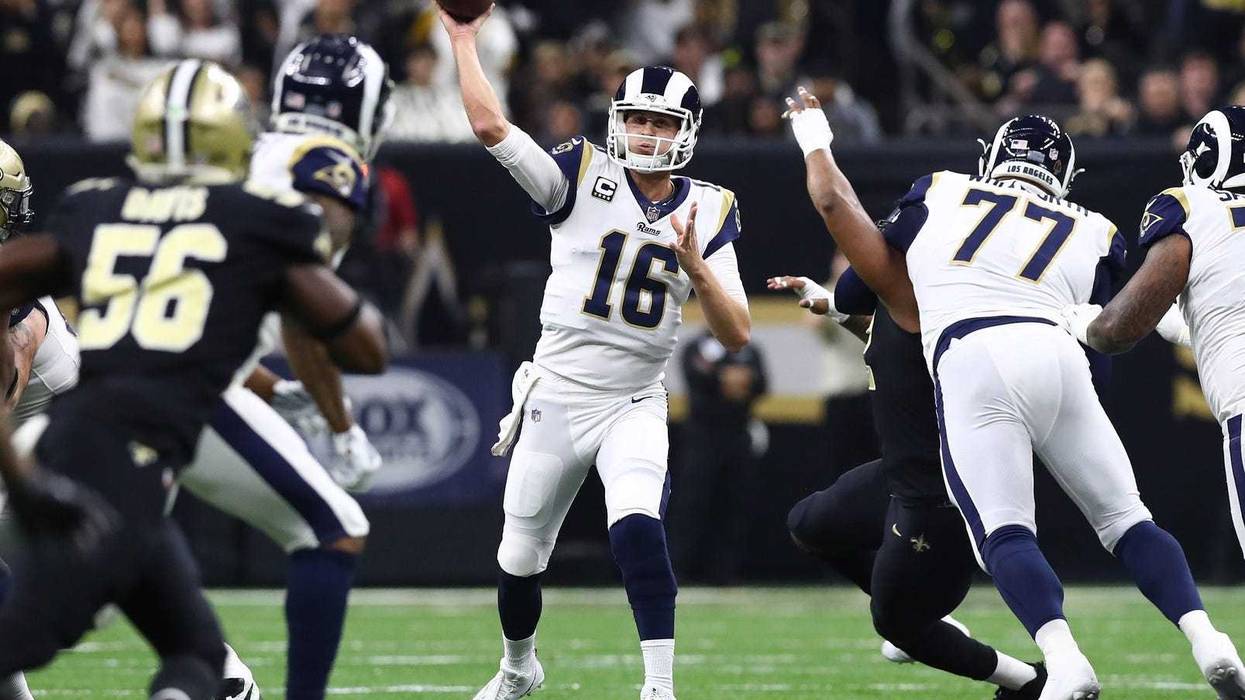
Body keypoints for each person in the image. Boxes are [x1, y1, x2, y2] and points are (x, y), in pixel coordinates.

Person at [783, 88, 1245, 699]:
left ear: (991, 158)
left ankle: (1063, 658)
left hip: (974, 353)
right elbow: (1106, 342)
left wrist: (816, 143)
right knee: (1128, 520)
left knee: (1005, 533)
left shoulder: (942, 191)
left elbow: (860, 283)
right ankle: (1207, 636)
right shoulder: (1094, 229)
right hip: (1057, 354)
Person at [0, 60, 385, 700]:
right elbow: (367, 348)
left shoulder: (96, 205)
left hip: (90, 453)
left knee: (202, 660)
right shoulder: (256, 219)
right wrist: (317, 254)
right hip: (116, 466)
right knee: (27, 641)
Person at [444, 7, 751, 700]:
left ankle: (658, 687)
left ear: (686, 134)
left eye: (662, 122)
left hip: (633, 400)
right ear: (619, 120)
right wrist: (463, 40)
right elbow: (493, 128)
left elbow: (735, 334)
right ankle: (519, 666)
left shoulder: (710, 207)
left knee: (637, 529)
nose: (647, 132)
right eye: (638, 118)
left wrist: (698, 270)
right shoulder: (580, 171)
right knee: (518, 558)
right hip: (556, 392)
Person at [169, 36, 393, 700]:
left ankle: (210, 678)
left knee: (107, 553)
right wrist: (340, 425)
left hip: (115, 362)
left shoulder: (242, 151)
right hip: (182, 381)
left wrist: (270, 387)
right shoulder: (329, 168)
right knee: (334, 528)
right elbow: (305, 312)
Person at [771, 265, 1047, 699]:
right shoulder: (901, 314)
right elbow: (886, 334)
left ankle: (1028, 681)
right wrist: (835, 311)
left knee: (896, 625)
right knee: (809, 522)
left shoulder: (952, 321)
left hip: (940, 493)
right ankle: (927, 618)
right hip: (898, 474)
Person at [1067, 106, 1245, 581]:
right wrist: (1174, 322)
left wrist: (1085, 323)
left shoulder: (1192, 208)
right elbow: (1225, 313)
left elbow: (1116, 332)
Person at [671, 329, 766, 584]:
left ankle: (727, 571)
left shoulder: (748, 348)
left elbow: (762, 383)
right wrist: (725, 379)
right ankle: (681, 568)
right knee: (692, 504)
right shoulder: (697, 346)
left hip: (737, 435)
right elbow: (696, 377)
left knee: (734, 504)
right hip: (703, 437)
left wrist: (740, 381)